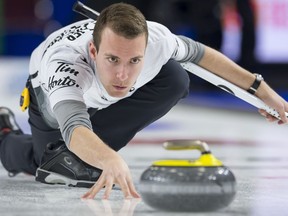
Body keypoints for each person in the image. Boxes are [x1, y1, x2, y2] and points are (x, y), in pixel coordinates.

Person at [0, 3, 287, 200]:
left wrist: (261, 89)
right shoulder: (65, 66)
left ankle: (72, 153)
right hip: (49, 101)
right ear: (93, 50)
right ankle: (4, 138)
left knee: (174, 77)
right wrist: (110, 158)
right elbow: (74, 129)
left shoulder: (158, 41)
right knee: (50, 161)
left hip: (98, 98)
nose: (123, 75)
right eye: (112, 59)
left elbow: (202, 56)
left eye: (134, 60)